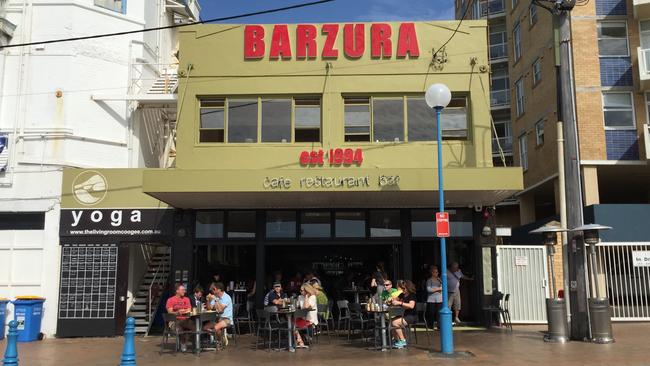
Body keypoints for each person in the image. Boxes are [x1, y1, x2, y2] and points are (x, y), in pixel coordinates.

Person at [165, 284, 193, 352]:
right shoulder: (170, 300)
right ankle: (183, 343)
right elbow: (170, 312)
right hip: (174, 321)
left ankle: (193, 343)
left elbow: (189, 309)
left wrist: (183, 311)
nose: (184, 291)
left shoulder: (187, 299)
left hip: (186, 320)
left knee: (195, 327)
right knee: (181, 327)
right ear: (177, 291)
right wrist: (178, 312)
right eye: (182, 290)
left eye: (184, 290)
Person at [390, 280, 417, 349]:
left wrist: (400, 303)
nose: (403, 290)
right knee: (391, 322)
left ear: (408, 288)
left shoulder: (412, 295)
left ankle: (402, 341)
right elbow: (394, 300)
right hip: (404, 315)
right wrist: (392, 299)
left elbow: (411, 306)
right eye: (402, 288)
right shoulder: (402, 295)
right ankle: (397, 340)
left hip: (412, 316)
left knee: (395, 322)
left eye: (404, 288)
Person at [206, 282, 234, 346]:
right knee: (205, 328)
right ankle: (221, 338)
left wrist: (216, 300)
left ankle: (220, 340)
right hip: (217, 318)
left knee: (215, 328)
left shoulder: (226, 297)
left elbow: (220, 310)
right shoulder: (215, 296)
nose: (212, 291)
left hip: (227, 319)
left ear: (219, 289)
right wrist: (208, 300)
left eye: (214, 289)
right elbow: (209, 308)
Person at [294, 283, 319, 348]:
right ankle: (300, 340)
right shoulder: (300, 297)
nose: (300, 292)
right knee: (291, 323)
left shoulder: (313, 297)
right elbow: (296, 306)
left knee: (293, 324)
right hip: (302, 318)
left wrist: (306, 297)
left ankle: (301, 339)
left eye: (302, 290)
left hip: (310, 319)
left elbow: (306, 306)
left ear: (307, 291)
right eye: (300, 290)